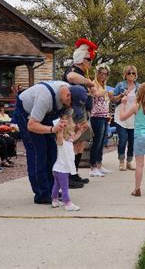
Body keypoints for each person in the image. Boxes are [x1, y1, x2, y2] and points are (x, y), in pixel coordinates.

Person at [14, 80, 88, 204]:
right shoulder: (45, 97)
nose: (71, 107)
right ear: (67, 95)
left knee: (53, 151)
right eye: (71, 104)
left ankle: (51, 189)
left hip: (46, 115)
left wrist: (77, 128)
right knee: (39, 152)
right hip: (27, 114)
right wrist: (52, 129)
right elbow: (31, 125)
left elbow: (67, 119)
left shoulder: (70, 98)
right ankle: (42, 194)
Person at [62, 38, 98, 187]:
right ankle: (69, 174)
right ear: (82, 59)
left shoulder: (82, 73)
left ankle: (74, 172)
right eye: (89, 60)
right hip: (72, 112)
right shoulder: (73, 70)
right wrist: (89, 83)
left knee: (81, 141)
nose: (90, 63)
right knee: (72, 141)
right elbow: (71, 78)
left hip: (81, 110)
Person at [51, 115, 88, 211]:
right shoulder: (61, 141)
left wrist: (81, 131)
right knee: (64, 187)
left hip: (58, 169)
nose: (73, 133)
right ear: (66, 133)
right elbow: (60, 136)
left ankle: (54, 200)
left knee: (57, 185)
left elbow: (76, 137)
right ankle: (67, 203)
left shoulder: (69, 141)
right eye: (72, 131)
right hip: (61, 169)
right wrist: (61, 129)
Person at [112, 66, 140, 171]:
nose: (131, 75)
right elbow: (113, 100)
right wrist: (121, 95)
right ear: (125, 74)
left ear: (136, 75)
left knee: (132, 141)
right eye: (129, 73)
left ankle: (129, 161)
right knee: (123, 139)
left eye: (133, 73)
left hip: (133, 116)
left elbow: (143, 101)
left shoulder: (139, 87)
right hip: (121, 115)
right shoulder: (120, 85)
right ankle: (121, 162)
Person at [89, 64, 112, 177]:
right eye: (101, 73)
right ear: (97, 73)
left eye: (105, 73)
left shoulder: (104, 85)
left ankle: (99, 164)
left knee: (102, 142)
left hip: (104, 116)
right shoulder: (93, 83)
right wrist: (106, 92)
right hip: (96, 116)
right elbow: (95, 94)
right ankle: (92, 167)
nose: (103, 75)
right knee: (96, 142)